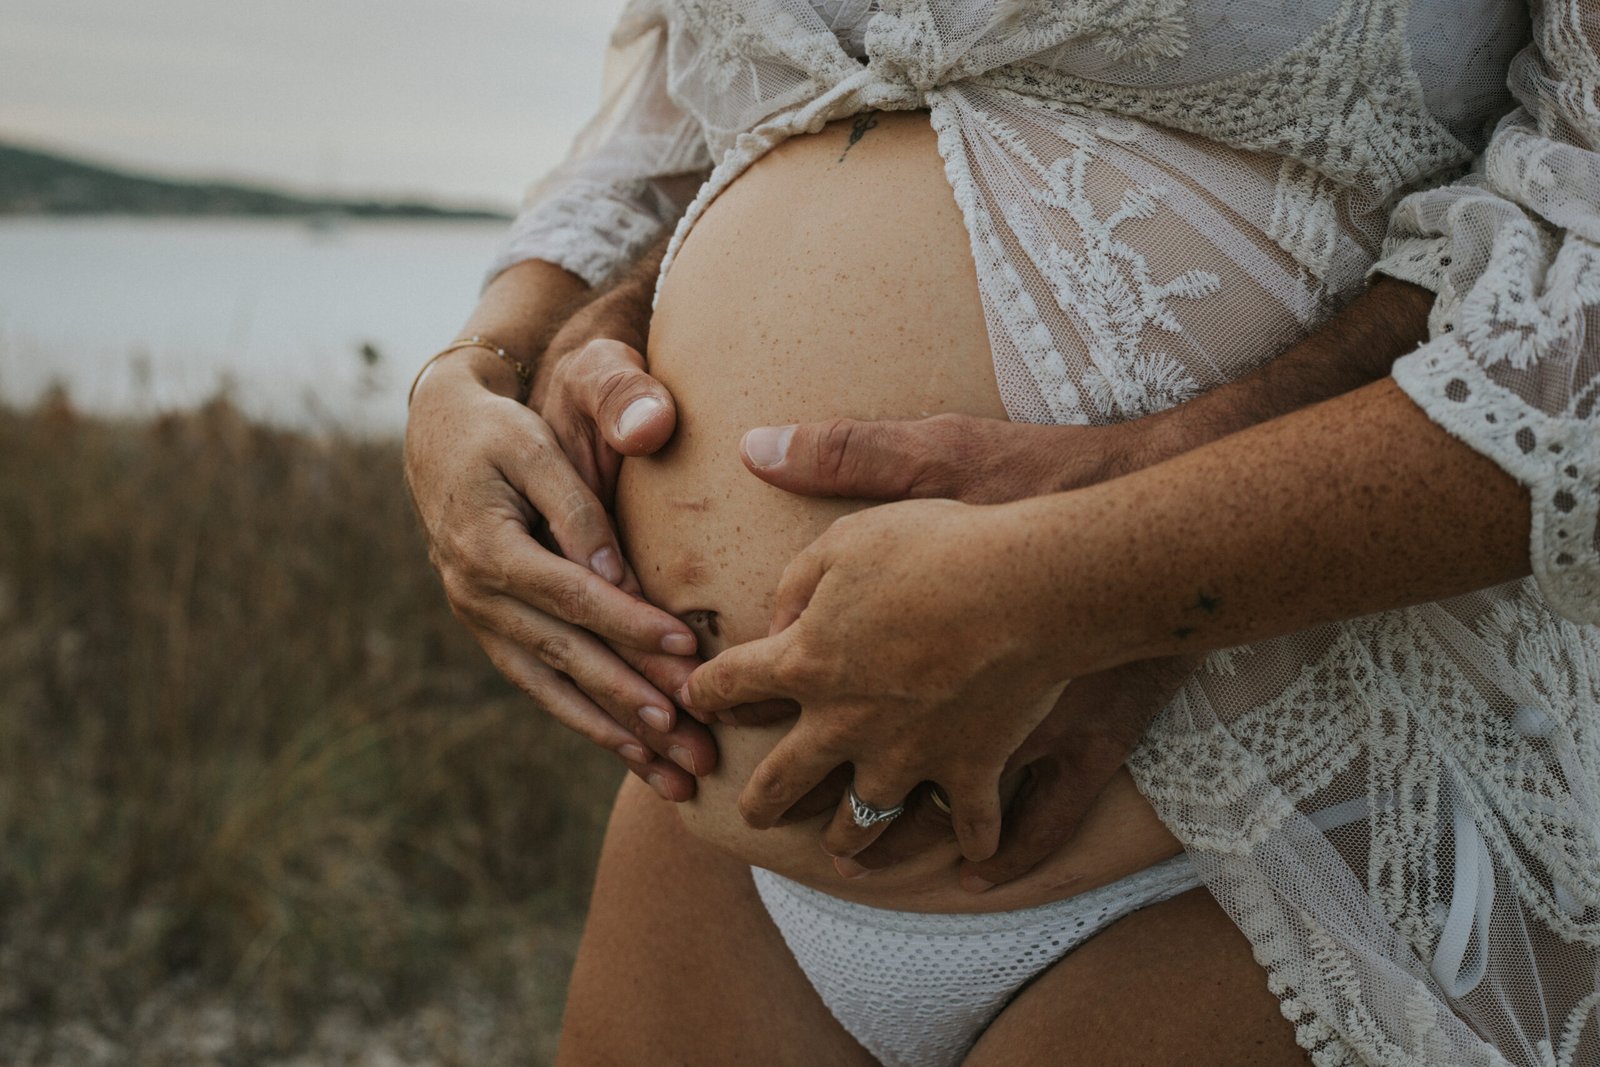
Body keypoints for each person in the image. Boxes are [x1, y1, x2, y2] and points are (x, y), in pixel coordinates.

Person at [403, 2, 1600, 1064]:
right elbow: (681, 114)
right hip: (719, 848)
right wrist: (492, 360)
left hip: (1265, 826)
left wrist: (1096, 569)